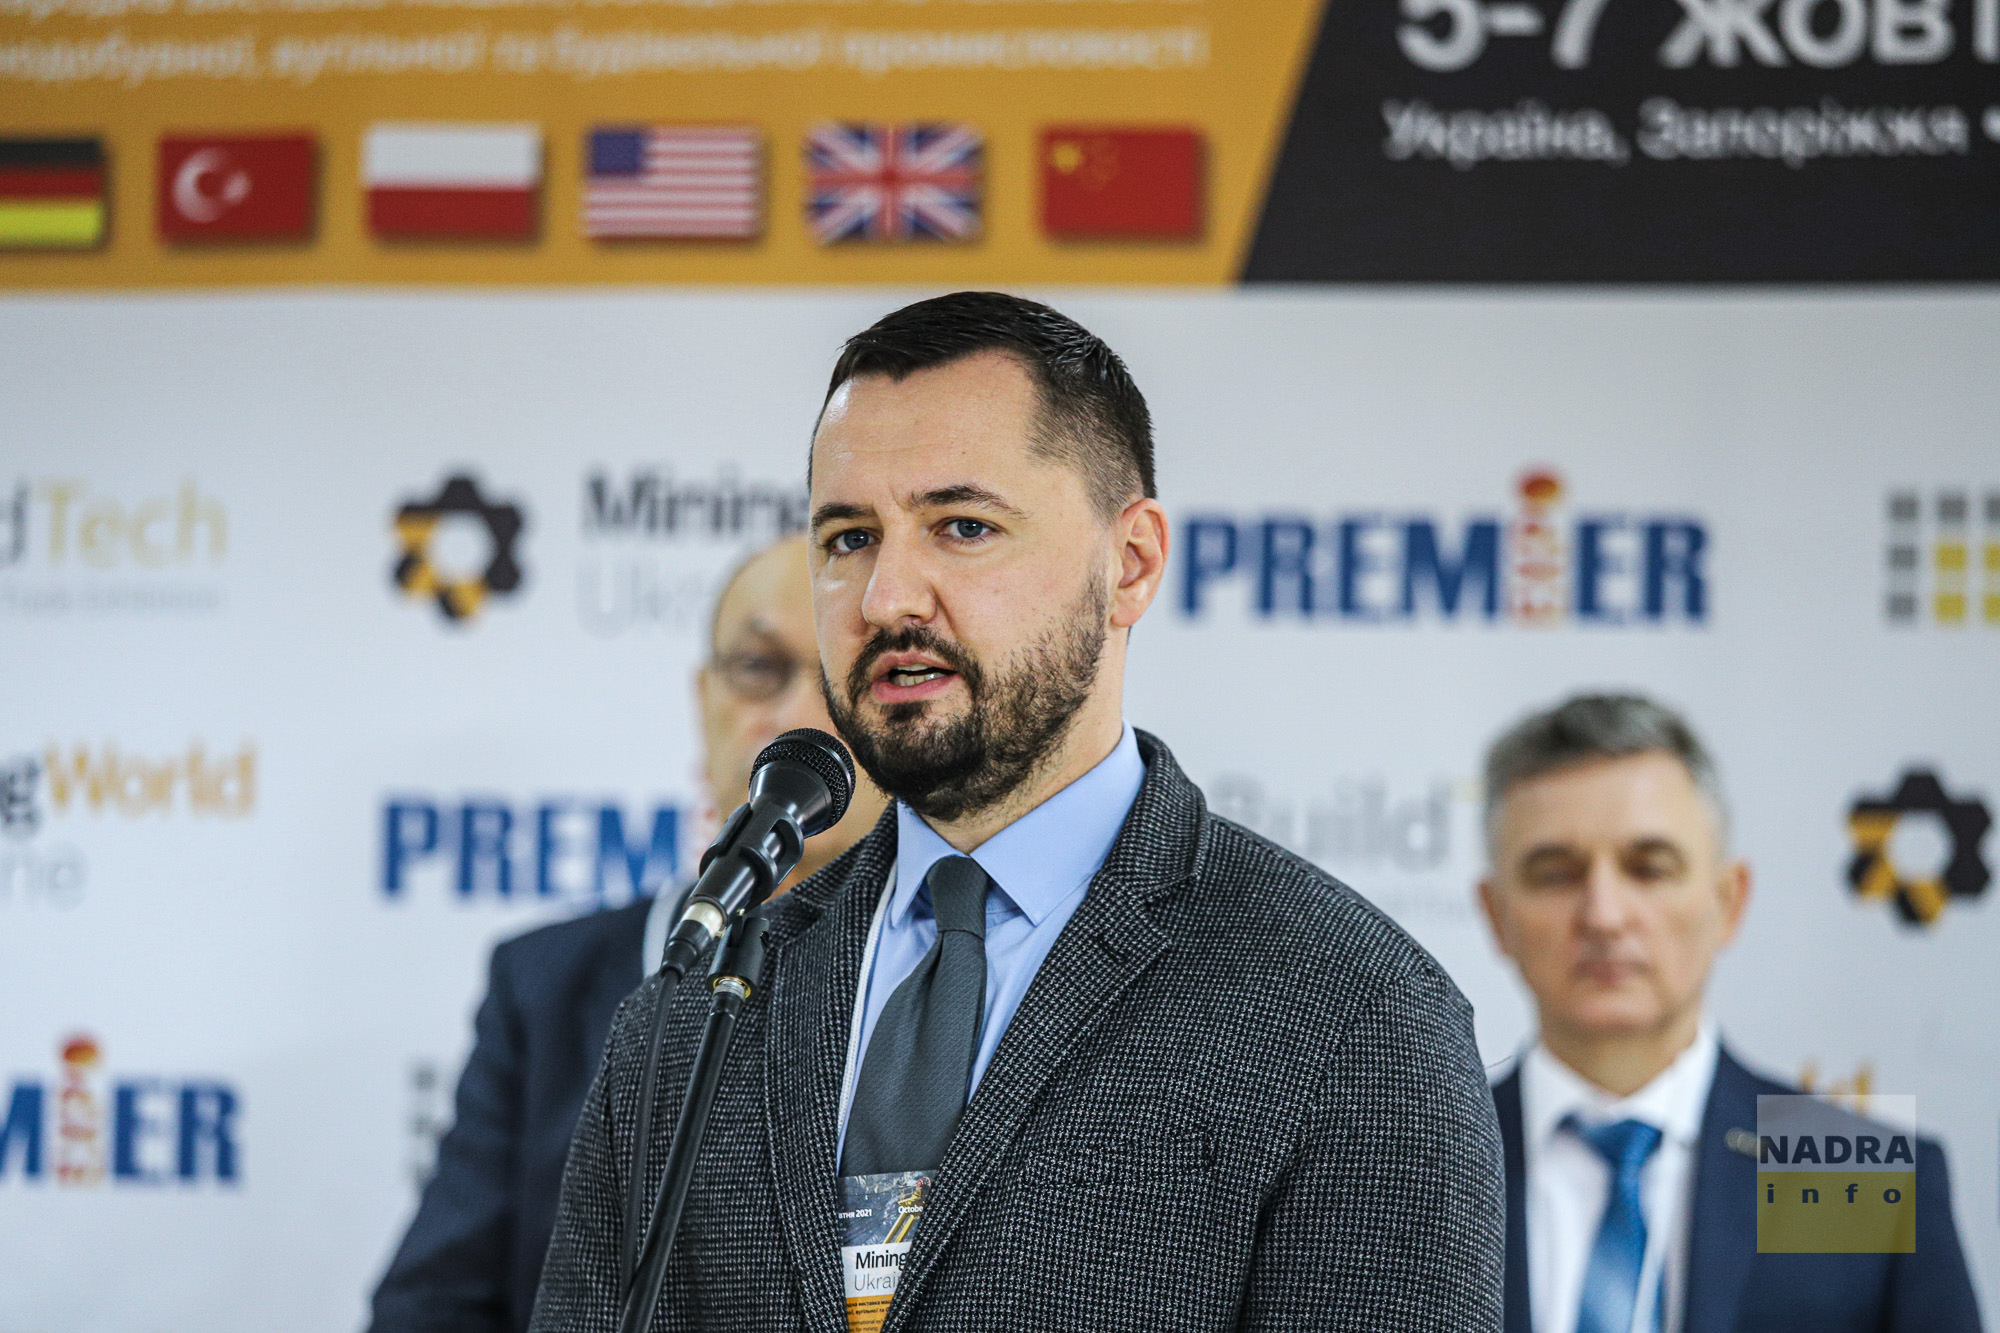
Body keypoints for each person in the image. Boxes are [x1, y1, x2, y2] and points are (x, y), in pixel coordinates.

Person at [529, 292, 1504, 1333]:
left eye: (963, 527)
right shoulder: (692, 1014)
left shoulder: (1356, 1016)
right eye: (849, 537)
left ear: (1129, 564)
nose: (886, 598)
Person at [369, 534, 886, 1333]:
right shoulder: (546, 984)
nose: (792, 718)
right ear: (703, 698)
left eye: (835, 678)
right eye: (758, 667)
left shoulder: (960, 974)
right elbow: (433, 1307)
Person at [1477, 693, 1983, 1333]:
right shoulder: (1419, 1167)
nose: (1603, 914)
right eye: (1555, 874)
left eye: (1649, 868)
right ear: (1495, 914)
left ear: (1729, 901)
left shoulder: (1847, 1169)